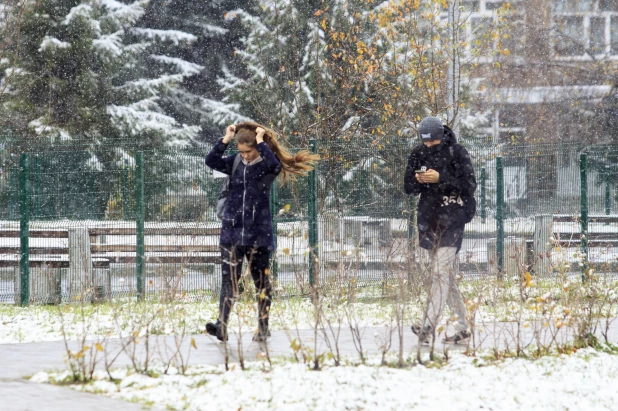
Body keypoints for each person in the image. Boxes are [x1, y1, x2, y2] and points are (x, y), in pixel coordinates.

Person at [205, 122, 318, 342]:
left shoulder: (266, 166)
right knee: (229, 281)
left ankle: (263, 326)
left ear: (257, 146)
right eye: (241, 151)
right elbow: (211, 161)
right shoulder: (235, 162)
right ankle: (222, 325)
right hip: (232, 233)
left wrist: (261, 142)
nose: (245, 156)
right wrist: (226, 139)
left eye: (249, 151)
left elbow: (276, 166)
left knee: (261, 284)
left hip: (259, 235)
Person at [404, 116, 477, 344]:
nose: (428, 146)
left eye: (432, 143)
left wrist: (440, 178)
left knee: (438, 273)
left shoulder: (457, 152)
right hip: (430, 220)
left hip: (453, 218)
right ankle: (464, 329)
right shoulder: (417, 154)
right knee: (444, 276)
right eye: (425, 142)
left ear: (441, 136)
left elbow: (469, 185)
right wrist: (419, 180)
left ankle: (427, 325)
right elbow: (408, 187)